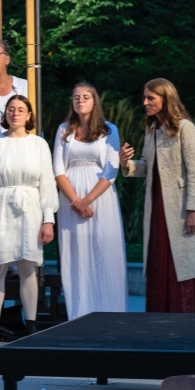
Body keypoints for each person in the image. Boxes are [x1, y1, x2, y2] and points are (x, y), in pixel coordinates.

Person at [120, 78, 195, 313]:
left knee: (185, 263)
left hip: (181, 207)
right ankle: (160, 318)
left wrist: (194, 210)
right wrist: (126, 164)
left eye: (150, 98)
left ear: (166, 99)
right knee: (160, 260)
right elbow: (147, 165)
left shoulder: (186, 128)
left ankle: (189, 318)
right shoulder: (152, 129)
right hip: (157, 208)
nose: (145, 102)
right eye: (144, 97)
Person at [0, 95, 58, 346]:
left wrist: (48, 219)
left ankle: (31, 325)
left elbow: (47, 183)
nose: (15, 113)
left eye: (21, 110)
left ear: (29, 115)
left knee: (27, 267)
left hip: (30, 206)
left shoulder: (39, 144)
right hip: (0, 206)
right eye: (11, 109)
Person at [52, 83, 127, 318]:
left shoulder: (108, 130)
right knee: (76, 254)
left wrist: (88, 200)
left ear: (94, 101)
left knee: (105, 251)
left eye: (85, 97)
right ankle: (79, 312)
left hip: (100, 198)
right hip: (70, 199)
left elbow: (111, 170)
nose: (80, 101)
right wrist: (76, 200)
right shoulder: (64, 129)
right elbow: (58, 169)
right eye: (76, 97)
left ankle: (110, 311)